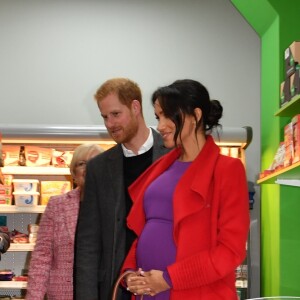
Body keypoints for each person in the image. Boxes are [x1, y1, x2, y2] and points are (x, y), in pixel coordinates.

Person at [122, 79, 250, 300]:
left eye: (169, 115)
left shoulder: (227, 170)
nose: (160, 125)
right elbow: (146, 230)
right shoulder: (161, 169)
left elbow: (231, 250)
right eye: (158, 117)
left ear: (196, 115)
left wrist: (169, 279)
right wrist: (130, 272)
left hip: (194, 292)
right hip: (148, 291)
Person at [75, 78, 169, 300]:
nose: (109, 124)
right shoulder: (98, 168)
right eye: (105, 117)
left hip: (163, 283)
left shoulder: (173, 155)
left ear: (135, 107)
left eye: (115, 114)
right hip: (116, 287)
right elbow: (88, 241)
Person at [25, 143, 104, 300]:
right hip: (62, 294)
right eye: (82, 164)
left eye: (95, 163)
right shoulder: (57, 205)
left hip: (102, 292)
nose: (89, 169)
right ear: (74, 173)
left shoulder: (114, 206)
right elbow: (42, 257)